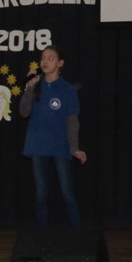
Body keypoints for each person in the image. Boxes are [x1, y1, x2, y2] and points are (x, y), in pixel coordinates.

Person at [19, 45, 87, 227]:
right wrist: (29, 89)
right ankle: (42, 235)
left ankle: (77, 234)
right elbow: (24, 112)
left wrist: (74, 147)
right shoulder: (35, 85)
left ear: (60, 63)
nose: (45, 62)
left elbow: (72, 121)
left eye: (51, 58)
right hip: (37, 146)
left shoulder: (67, 89)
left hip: (60, 145)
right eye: (43, 58)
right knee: (41, 194)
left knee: (67, 193)